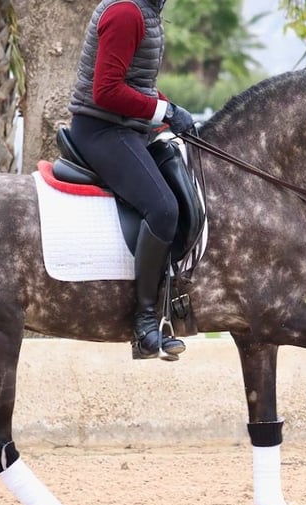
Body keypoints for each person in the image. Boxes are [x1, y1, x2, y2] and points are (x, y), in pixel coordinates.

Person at [68, 0, 194, 359]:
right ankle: (145, 322)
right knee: (163, 208)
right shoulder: (127, 12)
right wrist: (163, 110)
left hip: (127, 128)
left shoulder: (148, 11)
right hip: (102, 131)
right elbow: (106, 90)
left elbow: (137, 82)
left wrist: (170, 107)